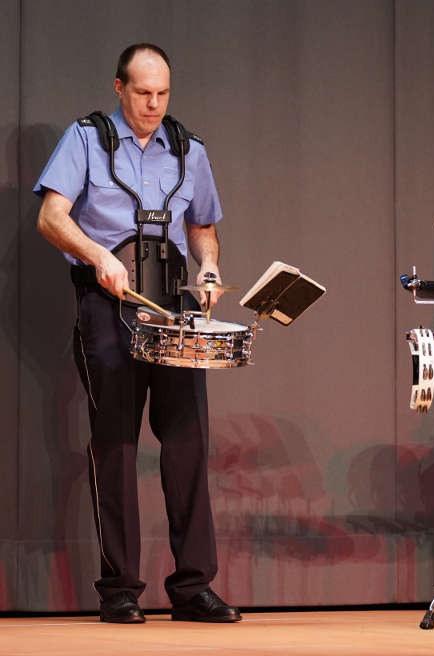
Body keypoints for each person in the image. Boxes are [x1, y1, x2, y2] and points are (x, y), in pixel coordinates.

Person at [34, 44, 240, 623]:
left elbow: (202, 226)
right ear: (119, 87)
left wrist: (208, 267)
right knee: (117, 447)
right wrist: (98, 254)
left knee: (188, 444)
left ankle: (193, 587)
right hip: (109, 303)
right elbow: (51, 216)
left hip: (171, 306)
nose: (153, 104)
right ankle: (120, 589)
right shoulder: (86, 138)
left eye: (163, 94)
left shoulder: (187, 148)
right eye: (143, 93)